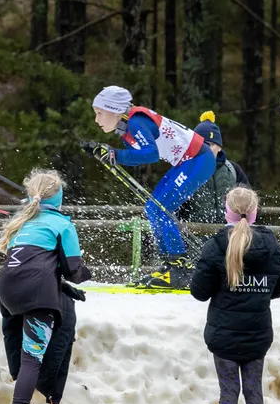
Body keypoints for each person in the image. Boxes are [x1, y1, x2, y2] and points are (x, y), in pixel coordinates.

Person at [189, 186, 280, 404]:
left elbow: (199, 291)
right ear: (254, 212)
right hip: (257, 331)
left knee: (229, 391)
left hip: (224, 332)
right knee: (254, 391)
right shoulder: (271, 246)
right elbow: (279, 288)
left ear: (227, 212)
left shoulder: (216, 245)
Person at [85, 86, 217, 289]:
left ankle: (179, 267)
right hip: (188, 161)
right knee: (152, 208)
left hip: (198, 159)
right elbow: (137, 157)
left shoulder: (136, 122)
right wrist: (106, 153)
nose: (96, 119)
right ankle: (169, 264)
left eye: (99, 113)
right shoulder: (128, 126)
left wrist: (114, 154)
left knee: (162, 209)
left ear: (114, 110)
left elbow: (150, 154)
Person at [0, 169, 90, 404]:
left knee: (23, 353)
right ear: (59, 199)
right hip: (36, 293)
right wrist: (87, 273)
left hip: (7, 290)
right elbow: (73, 270)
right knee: (32, 358)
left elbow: (32, 262)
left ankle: (20, 403)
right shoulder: (62, 224)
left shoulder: (21, 223)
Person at [180, 111, 250, 224]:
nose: (206, 148)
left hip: (230, 233)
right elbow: (176, 210)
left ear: (219, 147)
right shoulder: (186, 172)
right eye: (202, 144)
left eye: (211, 144)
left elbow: (252, 205)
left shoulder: (233, 170)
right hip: (194, 232)